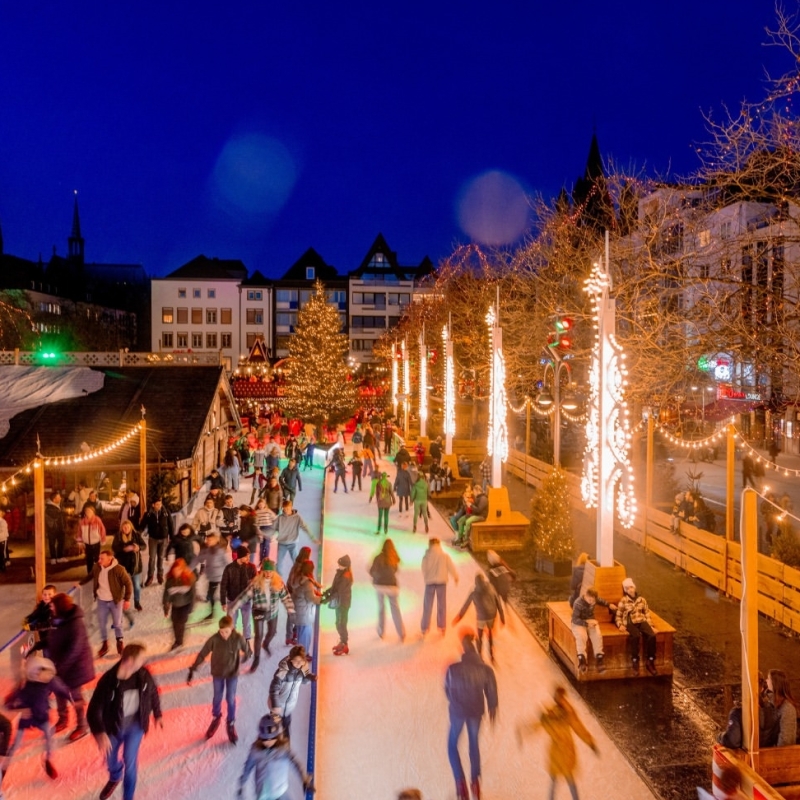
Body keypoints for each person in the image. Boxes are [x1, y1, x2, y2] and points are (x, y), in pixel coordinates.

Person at [88, 643, 163, 800]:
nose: (143, 662)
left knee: (130, 763)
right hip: (113, 727)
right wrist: (100, 732)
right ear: (129, 661)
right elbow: (93, 709)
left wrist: (157, 714)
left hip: (135, 727)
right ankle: (115, 775)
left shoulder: (143, 675)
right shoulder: (108, 681)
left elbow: (153, 692)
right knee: (110, 759)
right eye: (140, 659)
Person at [517, 686, 598, 800]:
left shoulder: (567, 713)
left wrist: (590, 742)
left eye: (562, 697)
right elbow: (537, 726)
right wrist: (524, 730)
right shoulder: (550, 716)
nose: (560, 699)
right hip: (557, 754)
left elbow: (579, 728)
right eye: (558, 697)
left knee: (568, 780)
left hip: (566, 753)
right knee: (557, 781)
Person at [444, 633, 498, 800]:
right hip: (476, 712)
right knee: (473, 745)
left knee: (452, 746)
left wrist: (455, 702)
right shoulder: (486, 670)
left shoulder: (453, 669)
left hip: (458, 712)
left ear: (464, 651)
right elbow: (491, 691)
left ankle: (461, 784)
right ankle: (475, 783)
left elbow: (447, 689)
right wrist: (492, 707)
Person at [3, 655, 70, 781]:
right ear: (36, 673)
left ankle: (48, 761)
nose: (50, 675)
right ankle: (4, 767)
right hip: (26, 719)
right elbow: (7, 704)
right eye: (46, 673)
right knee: (16, 744)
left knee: (50, 739)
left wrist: (73, 698)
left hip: (42, 717)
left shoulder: (50, 681)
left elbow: (62, 690)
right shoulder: (24, 687)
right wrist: (20, 710)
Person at [188, 615, 248, 745]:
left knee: (230, 699)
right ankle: (216, 717)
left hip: (232, 674)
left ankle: (231, 723)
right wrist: (194, 666)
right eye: (221, 632)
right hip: (218, 673)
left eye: (226, 631)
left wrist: (246, 656)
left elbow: (247, 650)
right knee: (217, 697)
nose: (224, 634)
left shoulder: (238, 639)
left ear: (232, 629)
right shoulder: (214, 639)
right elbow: (203, 653)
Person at [43, 592, 94, 741]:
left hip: (76, 667)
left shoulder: (75, 623)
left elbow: (75, 649)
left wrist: (60, 667)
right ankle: (63, 719)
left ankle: (82, 726)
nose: (50, 607)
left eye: (53, 605)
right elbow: (52, 639)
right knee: (59, 693)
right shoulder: (57, 619)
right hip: (60, 665)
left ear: (60, 606)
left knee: (75, 696)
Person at [233, 559, 294, 670]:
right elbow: (244, 596)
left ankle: (266, 644)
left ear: (274, 572)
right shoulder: (255, 583)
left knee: (272, 632)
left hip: (273, 612)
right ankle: (256, 658)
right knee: (258, 636)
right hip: (259, 612)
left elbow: (285, 596)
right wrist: (234, 607)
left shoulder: (278, 583)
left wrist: (290, 608)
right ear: (261, 571)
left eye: (270, 571)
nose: (268, 574)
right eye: (265, 571)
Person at [237, 713, 314, 800]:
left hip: (281, 793)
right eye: (265, 739)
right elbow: (247, 768)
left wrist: (304, 778)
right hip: (263, 795)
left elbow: (295, 763)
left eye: (272, 738)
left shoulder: (283, 749)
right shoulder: (255, 751)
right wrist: (241, 785)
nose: (268, 742)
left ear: (277, 736)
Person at [81, 548, 133, 658]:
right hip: (102, 600)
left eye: (102, 559)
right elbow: (90, 575)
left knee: (117, 623)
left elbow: (128, 583)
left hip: (116, 601)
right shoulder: (97, 567)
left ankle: (120, 641)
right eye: (99, 558)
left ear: (110, 559)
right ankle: (105, 643)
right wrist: (80, 583)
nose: (99, 560)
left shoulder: (119, 569)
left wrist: (127, 599)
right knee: (101, 623)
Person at [453, 573, 505, 663]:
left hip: (481, 617)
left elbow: (465, 606)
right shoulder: (491, 588)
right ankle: (492, 656)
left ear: (476, 583)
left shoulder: (474, 593)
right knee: (490, 634)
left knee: (480, 636)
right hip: (491, 616)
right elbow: (498, 601)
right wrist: (502, 617)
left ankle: (480, 656)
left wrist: (459, 617)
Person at [269, 645, 316, 739]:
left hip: (289, 707)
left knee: (286, 730)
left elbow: (303, 681)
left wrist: (310, 677)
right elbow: (274, 687)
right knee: (274, 731)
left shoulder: (301, 670)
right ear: (291, 659)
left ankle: (286, 748)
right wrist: (276, 705)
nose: (299, 664)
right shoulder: (283, 671)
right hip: (278, 707)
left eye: (301, 661)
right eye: (297, 661)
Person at [615, 577, 658, 675]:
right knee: (635, 636)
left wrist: (651, 626)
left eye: (631, 587)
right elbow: (618, 615)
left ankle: (650, 660)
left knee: (652, 635)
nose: (630, 589)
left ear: (634, 588)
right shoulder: (624, 601)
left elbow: (646, 613)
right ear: (625, 590)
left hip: (641, 620)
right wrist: (620, 624)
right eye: (627, 588)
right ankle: (635, 661)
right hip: (630, 622)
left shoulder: (641, 600)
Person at [221, 545, 258, 655]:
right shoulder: (229, 568)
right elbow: (223, 585)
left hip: (246, 602)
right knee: (231, 624)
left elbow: (256, 585)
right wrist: (223, 602)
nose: (248, 558)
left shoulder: (251, 568)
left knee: (247, 625)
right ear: (240, 556)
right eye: (246, 556)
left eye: (249, 556)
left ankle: (247, 645)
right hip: (232, 601)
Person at [571, 587, 616, 674]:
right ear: (585, 596)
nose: (591, 602)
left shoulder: (594, 599)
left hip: (590, 620)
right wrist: (586, 624)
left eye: (593, 600)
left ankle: (599, 658)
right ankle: (582, 660)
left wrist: (609, 605)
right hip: (579, 622)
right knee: (581, 636)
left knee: (597, 635)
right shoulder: (578, 603)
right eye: (590, 599)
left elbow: (600, 601)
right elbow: (574, 619)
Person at [369, 538, 406, 642]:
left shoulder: (378, 557)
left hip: (380, 586)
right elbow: (395, 571)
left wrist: (376, 577)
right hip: (392, 586)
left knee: (381, 609)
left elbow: (372, 570)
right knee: (395, 609)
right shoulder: (394, 557)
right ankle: (401, 633)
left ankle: (381, 632)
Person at [421, 538, 459, 636]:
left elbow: (423, 568)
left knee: (427, 605)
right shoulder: (444, 556)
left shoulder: (426, 556)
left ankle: (425, 627)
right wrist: (455, 576)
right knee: (442, 604)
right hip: (442, 582)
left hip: (430, 582)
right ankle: (442, 626)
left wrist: (427, 576)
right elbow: (450, 567)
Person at [274, 499, 319, 578]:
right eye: (284, 509)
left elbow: (305, 527)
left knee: (297, 562)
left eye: (287, 509)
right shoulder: (280, 518)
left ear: (291, 507)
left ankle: (298, 576)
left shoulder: (297, 517)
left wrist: (312, 537)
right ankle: (279, 578)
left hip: (292, 543)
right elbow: (273, 528)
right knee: (279, 562)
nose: (286, 511)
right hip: (282, 543)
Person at [322, 554, 353, 656]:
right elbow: (335, 587)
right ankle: (342, 641)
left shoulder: (346, 576)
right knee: (338, 623)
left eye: (340, 564)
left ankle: (344, 644)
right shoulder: (340, 573)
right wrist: (326, 592)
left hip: (343, 603)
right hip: (339, 602)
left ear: (346, 566)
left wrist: (326, 599)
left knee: (341, 623)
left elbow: (338, 592)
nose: (338, 566)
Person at [113, 519, 147, 612]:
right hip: (122, 564)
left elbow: (144, 545)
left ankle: (137, 602)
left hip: (134, 565)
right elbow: (114, 547)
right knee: (121, 585)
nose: (126, 529)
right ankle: (121, 602)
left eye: (127, 527)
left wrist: (138, 548)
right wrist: (124, 549)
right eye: (124, 527)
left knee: (136, 585)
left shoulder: (136, 535)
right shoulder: (118, 536)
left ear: (131, 527)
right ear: (122, 528)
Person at [162, 557, 196, 649]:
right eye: (174, 570)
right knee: (174, 622)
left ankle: (179, 641)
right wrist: (166, 608)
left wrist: (190, 608)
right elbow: (166, 596)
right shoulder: (170, 581)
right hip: (175, 605)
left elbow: (193, 595)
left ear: (182, 569)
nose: (176, 573)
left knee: (181, 623)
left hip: (185, 605)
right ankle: (178, 639)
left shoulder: (189, 579)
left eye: (178, 570)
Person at [197, 532, 229, 620]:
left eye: (210, 540)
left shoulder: (220, 551)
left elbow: (226, 562)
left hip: (218, 576)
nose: (208, 541)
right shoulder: (207, 550)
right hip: (211, 576)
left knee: (215, 594)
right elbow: (201, 559)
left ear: (216, 540)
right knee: (211, 594)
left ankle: (222, 610)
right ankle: (213, 609)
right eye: (207, 539)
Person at [292, 560, 321, 654]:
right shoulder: (307, 583)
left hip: (298, 610)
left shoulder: (298, 578)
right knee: (305, 635)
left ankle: (300, 654)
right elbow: (311, 598)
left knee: (301, 634)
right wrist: (321, 599)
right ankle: (302, 655)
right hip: (305, 613)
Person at [142, 498, 173, 586]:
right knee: (152, 558)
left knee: (161, 557)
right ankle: (150, 576)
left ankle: (160, 575)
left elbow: (171, 524)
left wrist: (171, 537)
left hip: (163, 539)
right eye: (157, 504)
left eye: (160, 504)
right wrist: (137, 533)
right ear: (153, 505)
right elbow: (142, 525)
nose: (159, 506)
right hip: (153, 539)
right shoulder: (148, 514)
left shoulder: (166, 513)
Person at [767, 669, 798, 746]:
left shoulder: (787, 708)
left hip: (780, 754)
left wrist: (775, 754)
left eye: (768, 678)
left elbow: (786, 738)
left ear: (775, 683)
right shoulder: (771, 701)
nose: (766, 680)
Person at [80, 504, 108, 575]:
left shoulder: (97, 520)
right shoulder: (82, 521)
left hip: (96, 542)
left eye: (90, 511)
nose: (88, 512)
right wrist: (80, 541)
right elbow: (79, 531)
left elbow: (102, 530)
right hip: (87, 543)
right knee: (89, 559)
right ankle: (89, 573)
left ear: (93, 512)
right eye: (86, 511)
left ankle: (98, 572)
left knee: (96, 558)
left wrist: (103, 538)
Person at [369, 471, 395, 536]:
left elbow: (377, 493)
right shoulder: (389, 483)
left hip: (380, 501)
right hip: (387, 501)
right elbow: (391, 492)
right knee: (386, 516)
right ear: (386, 476)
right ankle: (386, 529)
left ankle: (378, 529)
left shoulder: (378, 483)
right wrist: (393, 499)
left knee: (380, 516)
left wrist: (377, 500)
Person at [45, 490, 66, 564]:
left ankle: (60, 557)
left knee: (61, 542)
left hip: (60, 527)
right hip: (52, 528)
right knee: (52, 543)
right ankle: (53, 558)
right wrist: (62, 512)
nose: (60, 498)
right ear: (54, 499)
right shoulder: (49, 507)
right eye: (59, 497)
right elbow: (56, 515)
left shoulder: (59, 505)